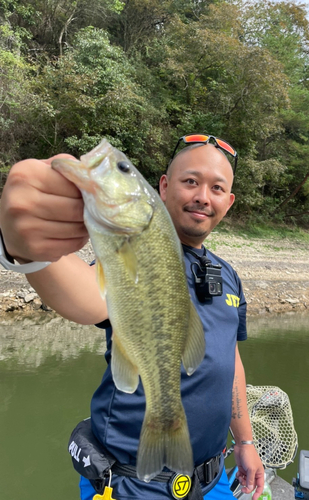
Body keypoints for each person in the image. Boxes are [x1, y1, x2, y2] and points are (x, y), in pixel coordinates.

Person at [0, 135, 264, 500]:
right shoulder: (136, 248)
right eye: (191, 181)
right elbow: (88, 298)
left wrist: (245, 441)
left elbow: (230, 361)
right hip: (132, 484)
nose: (203, 195)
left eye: (217, 187)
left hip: (213, 478)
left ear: (228, 201)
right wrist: (25, 248)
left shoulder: (228, 274)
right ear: (164, 187)